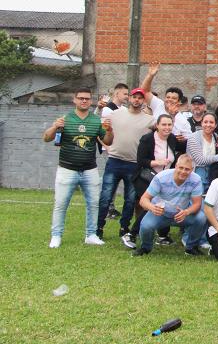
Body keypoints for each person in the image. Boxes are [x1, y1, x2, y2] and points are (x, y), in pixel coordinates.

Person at [44, 87, 114, 248]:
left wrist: (110, 130)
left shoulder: (96, 120)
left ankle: (91, 234)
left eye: (87, 98)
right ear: (74, 100)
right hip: (67, 168)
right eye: (81, 98)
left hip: (90, 169)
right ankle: (56, 236)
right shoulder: (65, 118)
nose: (84, 101)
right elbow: (46, 138)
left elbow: (108, 141)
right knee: (61, 204)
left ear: (91, 101)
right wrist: (55, 127)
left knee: (93, 203)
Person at [97, 87, 154, 241]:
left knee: (129, 199)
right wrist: (107, 140)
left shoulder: (149, 119)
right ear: (129, 98)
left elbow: (164, 125)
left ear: (143, 101)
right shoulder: (115, 114)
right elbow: (105, 135)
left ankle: (124, 228)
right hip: (114, 161)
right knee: (106, 196)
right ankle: (99, 228)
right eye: (134, 97)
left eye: (140, 98)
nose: (137, 100)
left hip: (133, 164)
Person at [128, 113, 186, 248]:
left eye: (169, 125)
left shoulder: (172, 138)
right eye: (164, 124)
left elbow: (180, 150)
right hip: (146, 177)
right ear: (157, 126)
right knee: (151, 206)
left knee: (164, 205)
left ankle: (162, 235)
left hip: (164, 179)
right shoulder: (147, 139)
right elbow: (141, 160)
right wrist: (157, 162)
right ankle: (131, 234)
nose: (167, 127)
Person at [132, 154, 206, 257]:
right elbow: (143, 200)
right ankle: (146, 247)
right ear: (176, 166)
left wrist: (186, 212)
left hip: (181, 214)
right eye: (181, 168)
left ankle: (191, 248)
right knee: (146, 226)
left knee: (201, 218)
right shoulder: (161, 178)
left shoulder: (196, 179)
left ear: (192, 169)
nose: (183, 171)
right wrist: (153, 208)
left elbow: (197, 204)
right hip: (160, 213)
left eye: (187, 169)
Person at [186, 112, 218, 192]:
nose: (208, 125)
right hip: (197, 172)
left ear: (216, 125)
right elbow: (199, 160)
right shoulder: (193, 138)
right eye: (205, 122)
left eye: (211, 122)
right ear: (201, 123)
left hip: (213, 173)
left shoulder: (217, 137)